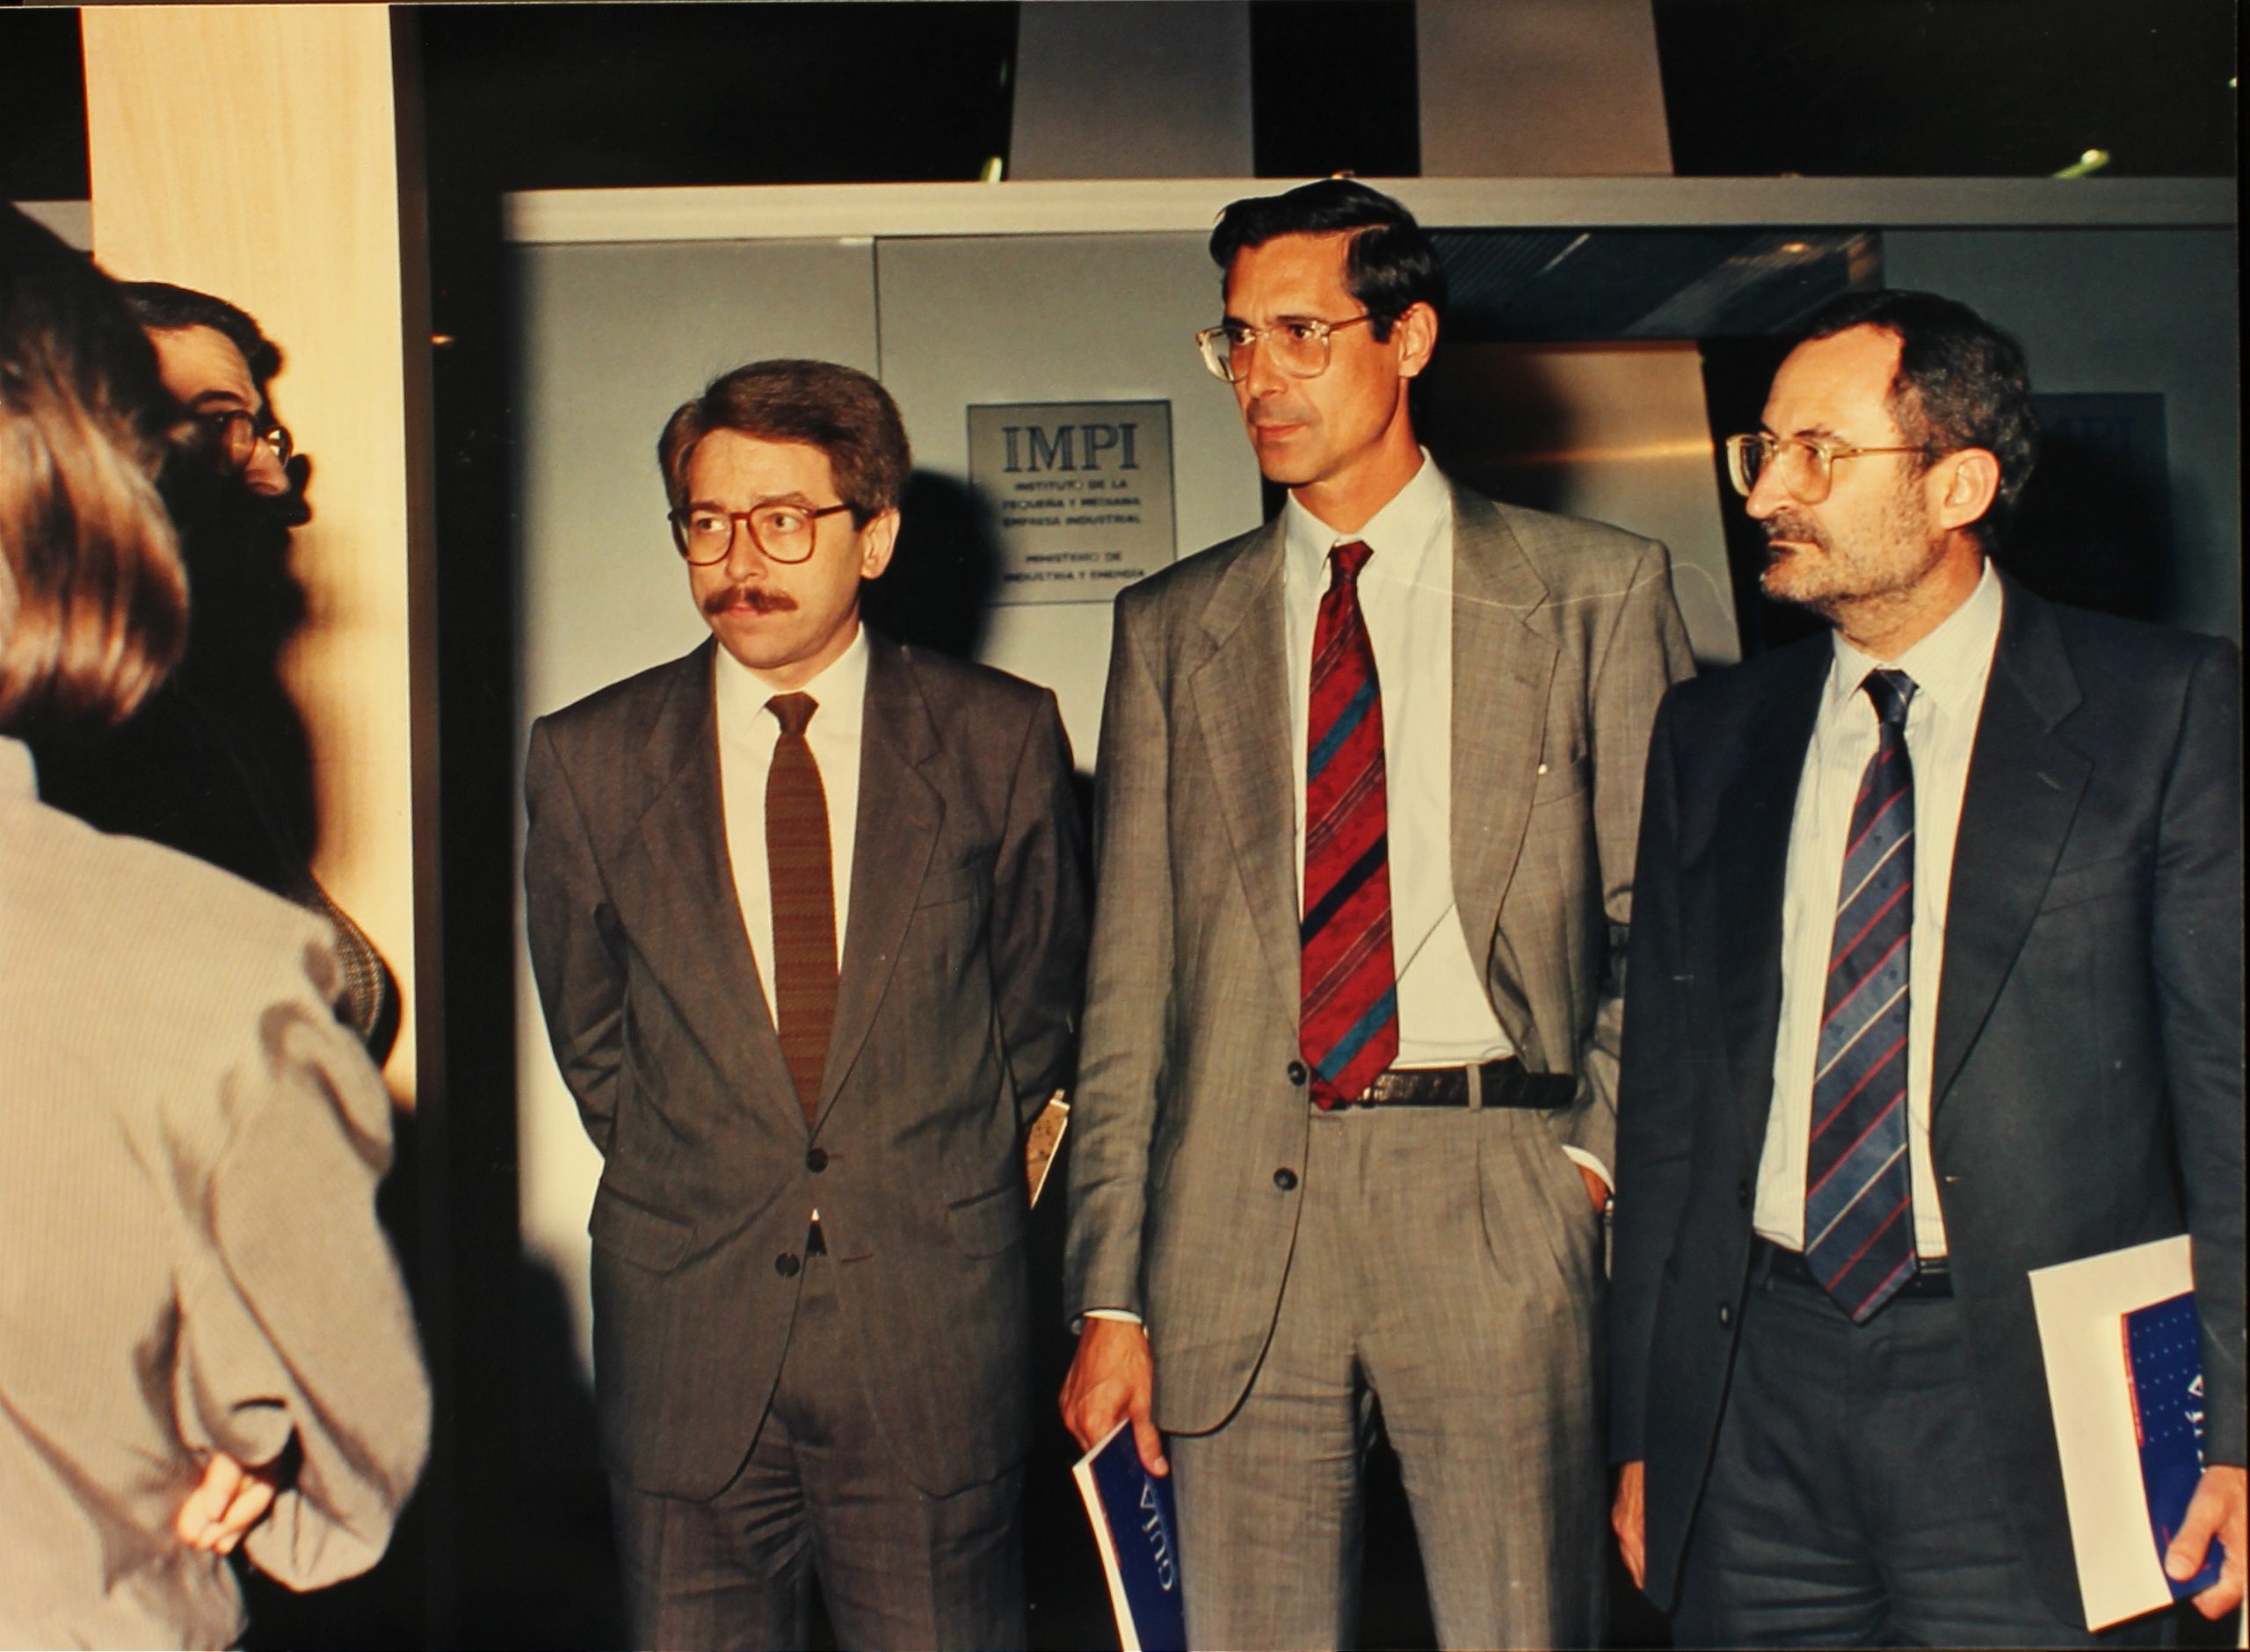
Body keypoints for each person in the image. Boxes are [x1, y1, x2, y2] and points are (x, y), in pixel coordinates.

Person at [1058, 178, 1694, 1648]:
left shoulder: (1593, 593)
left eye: (1301, 333)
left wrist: (1584, 1169)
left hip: (1494, 1195)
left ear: (1407, 339)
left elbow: (1663, 932)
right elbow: (1128, 983)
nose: (1259, 376)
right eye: (1236, 339)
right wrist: (1112, 1295)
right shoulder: (1171, 628)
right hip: (1231, 1221)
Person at [1608, 289, 2244, 1645]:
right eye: (1762, 449)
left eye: (1819, 453)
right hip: (1754, 1391)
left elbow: (2230, 1100)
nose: (1768, 490)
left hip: (2032, 1398)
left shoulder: (2163, 709)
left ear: (1959, 485)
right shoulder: (1713, 734)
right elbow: (1667, 1115)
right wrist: (1648, 1427)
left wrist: (2241, 1431)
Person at [522, 359, 1088, 1649]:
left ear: (872, 537)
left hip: (929, 1333)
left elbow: (1038, 1013)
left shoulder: (998, 739)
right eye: (708, 522)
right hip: (689, 1339)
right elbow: (594, 1040)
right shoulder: (588, 757)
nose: (740, 561)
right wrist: (719, 1168)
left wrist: (925, 1172)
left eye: (783, 520)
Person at [0, 203, 429, 1648]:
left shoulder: (207, 725)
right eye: (192, 427)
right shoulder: (117, 798)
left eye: (250, 429)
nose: (248, 464)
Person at [29, 279, 399, 1058]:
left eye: (262, 435)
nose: (277, 482)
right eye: (222, 424)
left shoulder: (193, 716)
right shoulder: (59, 735)